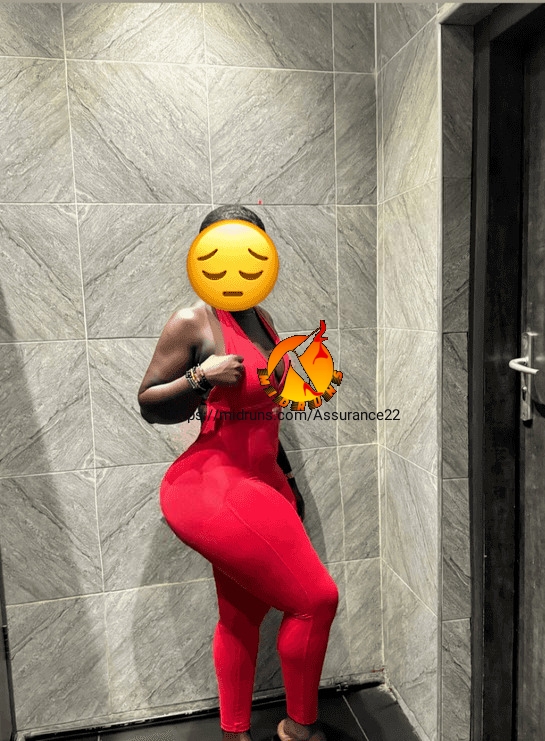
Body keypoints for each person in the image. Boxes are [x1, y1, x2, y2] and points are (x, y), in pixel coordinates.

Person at [138, 205, 339, 741]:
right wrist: (201, 378)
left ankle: (235, 732)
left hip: (262, 482)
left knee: (240, 616)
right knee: (317, 600)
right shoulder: (192, 321)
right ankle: (300, 730)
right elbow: (149, 403)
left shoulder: (262, 319)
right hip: (214, 484)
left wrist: (288, 480)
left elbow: (264, 414)